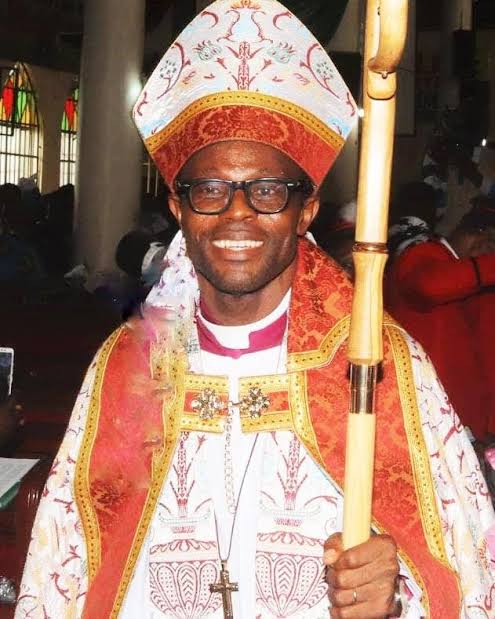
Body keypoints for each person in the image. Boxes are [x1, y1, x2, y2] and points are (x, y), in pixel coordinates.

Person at [16, 1, 495, 618]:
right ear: (178, 208)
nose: (237, 214)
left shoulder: (377, 366)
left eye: (267, 190)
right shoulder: (128, 370)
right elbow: (65, 571)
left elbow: (467, 573)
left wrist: (395, 594)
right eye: (210, 189)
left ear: (306, 210)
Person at [386, 195, 495, 442]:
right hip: (426, 424)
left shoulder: (478, 280)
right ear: (455, 228)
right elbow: (428, 286)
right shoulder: (425, 252)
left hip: (467, 430)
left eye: (494, 238)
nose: (485, 241)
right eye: (478, 229)